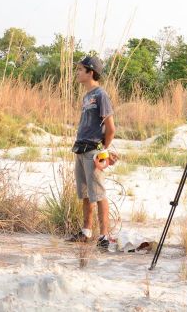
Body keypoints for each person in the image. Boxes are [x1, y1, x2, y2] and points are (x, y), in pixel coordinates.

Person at [66, 56, 116, 249]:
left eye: (80, 69)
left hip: (93, 151)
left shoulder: (101, 95)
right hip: (80, 148)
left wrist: (104, 151)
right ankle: (86, 232)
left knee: (99, 194)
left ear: (91, 72)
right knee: (86, 194)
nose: (77, 73)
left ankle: (104, 237)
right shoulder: (86, 96)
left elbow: (111, 128)